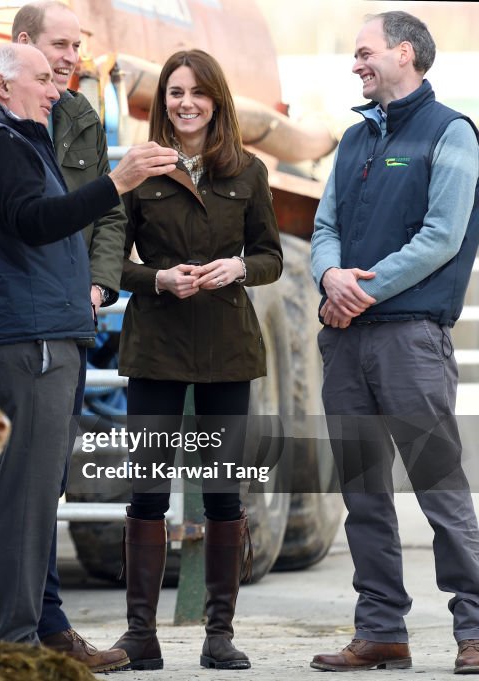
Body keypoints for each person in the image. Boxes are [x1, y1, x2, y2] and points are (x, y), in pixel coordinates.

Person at [0, 41, 178, 664]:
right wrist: (117, 183)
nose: (55, 89)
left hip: (24, 331)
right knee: (25, 499)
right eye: (43, 78)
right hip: (29, 338)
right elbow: (36, 221)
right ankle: (12, 651)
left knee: (16, 492)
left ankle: (9, 640)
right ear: (2, 85)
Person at [308, 11, 479, 674]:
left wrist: (358, 289)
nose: (356, 64)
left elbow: (441, 237)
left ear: (405, 53)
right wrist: (328, 273)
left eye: (364, 52)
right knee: (362, 494)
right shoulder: (354, 140)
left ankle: (473, 628)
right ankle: (381, 629)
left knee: (440, 489)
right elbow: (325, 225)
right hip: (347, 345)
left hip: (409, 340)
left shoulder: (453, 133)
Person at [109, 49, 282, 671]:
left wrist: (239, 266)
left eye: (198, 93)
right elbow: (113, 259)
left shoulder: (247, 171)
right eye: (175, 92)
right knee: (147, 490)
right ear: (163, 102)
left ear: (217, 101)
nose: (186, 103)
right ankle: (139, 635)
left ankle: (219, 634)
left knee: (223, 492)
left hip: (227, 350)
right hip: (155, 345)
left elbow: (271, 256)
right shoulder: (139, 169)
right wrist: (157, 280)